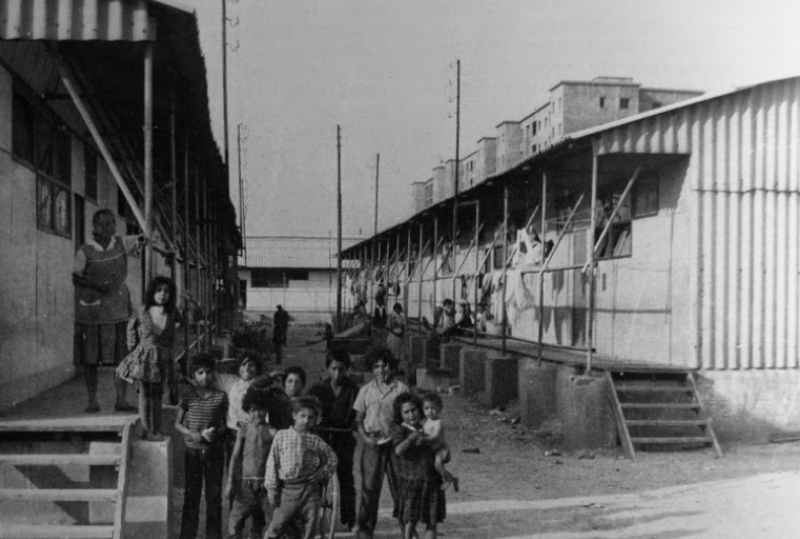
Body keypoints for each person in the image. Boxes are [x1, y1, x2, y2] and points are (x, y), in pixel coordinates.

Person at [73, 208, 143, 414]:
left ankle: (121, 398)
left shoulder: (122, 243)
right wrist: (95, 284)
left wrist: (149, 233)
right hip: (92, 311)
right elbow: (76, 277)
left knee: (122, 356)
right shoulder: (84, 250)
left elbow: (147, 239)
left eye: (112, 223)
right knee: (90, 358)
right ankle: (92, 400)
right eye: (104, 224)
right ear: (95, 227)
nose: (109, 227)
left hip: (118, 308)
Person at [353, 346, 410, 539]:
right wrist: (366, 438)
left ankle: (407, 529)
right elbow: (359, 421)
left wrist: (400, 435)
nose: (381, 370)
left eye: (385, 366)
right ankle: (365, 529)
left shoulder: (401, 389)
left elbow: (409, 417)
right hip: (372, 445)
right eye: (376, 366)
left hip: (395, 445)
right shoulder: (365, 391)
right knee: (370, 488)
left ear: (391, 367)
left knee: (401, 488)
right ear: (372, 369)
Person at [263, 396, 338, 539]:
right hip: (288, 489)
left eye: (310, 417)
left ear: (315, 419)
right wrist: (272, 490)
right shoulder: (281, 436)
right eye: (302, 416)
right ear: (294, 415)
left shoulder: (316, 440)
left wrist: (321, 473)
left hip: (310, 489)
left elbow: (332, 458)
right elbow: (272, 463)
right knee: (277, 525)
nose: (306, 420)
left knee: (310, 525)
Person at [116, 276, 179, 441]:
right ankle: (145, 429)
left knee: (157, 395)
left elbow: (188, 321)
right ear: (152, 292)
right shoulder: (142, 310)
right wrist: (132, 349)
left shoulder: (172, 312)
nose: (162, 294)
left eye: (166, 291)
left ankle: (155, 430)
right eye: (159, 290)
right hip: (145, 357)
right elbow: (130, 328)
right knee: (145, 393)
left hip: (163, 358)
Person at [176, 353, 230, 539]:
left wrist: (216, 432)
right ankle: (187, 535)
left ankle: (213, 536)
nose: (204, 376)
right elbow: (178, 424)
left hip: (214, 453)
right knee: (191, 497)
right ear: (193, 375)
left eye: (208, 372)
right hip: (193, 452)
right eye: (200, 373)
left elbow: (226, 424)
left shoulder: (220, 397)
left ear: (213, 374)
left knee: (214, 498)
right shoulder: (188, 397)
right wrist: (195, 435)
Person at [307, 348, 359, 531]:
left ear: (347, 370)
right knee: (315, 476)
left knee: (345, 477)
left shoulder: (353, 389)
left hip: (343, 437)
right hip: (322, 437)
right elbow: (307, 409)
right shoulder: (318, 389)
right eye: (334, 368)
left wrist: (354, 425)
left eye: (342, 369)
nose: (338, 373)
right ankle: (310, 516)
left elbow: (358, 412)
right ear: (327, 369)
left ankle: (350, 517)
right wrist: (316, 423)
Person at [391, 393, 446, 539]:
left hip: (431, 479)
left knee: (431, 520)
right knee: (409, 520)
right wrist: (412, 437)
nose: (411, 414)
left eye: (414, 410)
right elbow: (398, 450)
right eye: (406, 412)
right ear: (400, 414)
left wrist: (444, 453)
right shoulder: (400, 429)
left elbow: (441, 444)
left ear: (420, 409)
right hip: (411, 480)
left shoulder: (428, 425)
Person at [225, 387, 277, 539]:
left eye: (261, 409)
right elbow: (235, 457)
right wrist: (229, 482)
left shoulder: (273, 432)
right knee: (235, 520)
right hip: (246, 485)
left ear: (267, 410)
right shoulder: (244, 430)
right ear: (247, 410)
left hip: (266, 485)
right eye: (253, 410)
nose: (257, 414)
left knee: (264, 522)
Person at [420, 393, 458, 492]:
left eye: (433, 408)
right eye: (426, 408)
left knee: (437, 464)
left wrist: (425, 439)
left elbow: (435, 435)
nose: (430, 411)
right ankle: (453, 479)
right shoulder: (425, 421)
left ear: (439, 409)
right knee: (432, 467)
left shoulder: (438, 422)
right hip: (432, 448)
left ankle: (446, 480)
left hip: (440, 449)